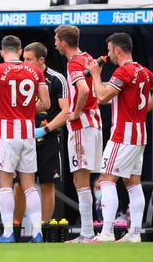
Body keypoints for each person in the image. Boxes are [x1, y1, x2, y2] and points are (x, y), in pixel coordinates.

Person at [87, 32, 153, 243]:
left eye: (109, 50)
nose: (107, 54)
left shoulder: (123, 71)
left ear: (118, 49)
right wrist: (144, 110)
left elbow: (103, 95)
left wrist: (96, 75)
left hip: (123, 135)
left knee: (106, 179)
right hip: (139, 133)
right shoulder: (143, 71)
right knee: (133, 182)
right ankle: (135, 234)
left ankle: (106, 232)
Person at [0, 35, 50, 243]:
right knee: (30, 185)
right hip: (28, 131)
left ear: (2, 52)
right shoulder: (35, 71)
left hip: (7, 131)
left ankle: (8, 233)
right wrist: (27, 109)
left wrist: (4, 106)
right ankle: (37, 232)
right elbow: (46, 104)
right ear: (20, 52)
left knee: (5, 184)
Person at [53, 24, 103, 243]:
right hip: (94, 122)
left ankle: (87, 233)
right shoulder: (87, 57)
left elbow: (82, 89)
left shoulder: (74, 63)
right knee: (87, 179)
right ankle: (93, 230)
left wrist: (76, 111)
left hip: (82, 125)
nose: (54, 43)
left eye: (56, 39)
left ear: (64, 42)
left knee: (80, 180)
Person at [17, 42, 69, 222]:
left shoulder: (56, 79)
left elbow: (66, 111)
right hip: (24, 138)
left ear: (41, 60)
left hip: (49, 139)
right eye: (23, 59)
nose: (25, 63)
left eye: (29, 59)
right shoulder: (19, 77)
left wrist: (45, 129)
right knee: (19, 185)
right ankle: (15, 229)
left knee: (47, 184)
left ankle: (44, 228)